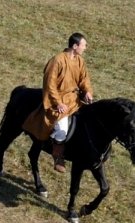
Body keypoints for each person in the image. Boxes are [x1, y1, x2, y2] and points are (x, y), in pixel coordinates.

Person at [40, 33, 94, 173]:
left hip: (74, 99)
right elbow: (49, 84)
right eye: (83, 45)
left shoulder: (79, 60)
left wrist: (87, 91)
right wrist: (58, 103)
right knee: (62, 128)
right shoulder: (57, 60)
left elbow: (84, 79)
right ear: (75, 46)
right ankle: (58, 156)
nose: (85, 48)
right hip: (58, 101)